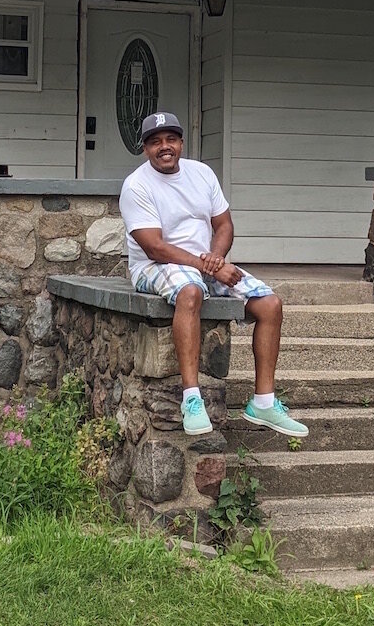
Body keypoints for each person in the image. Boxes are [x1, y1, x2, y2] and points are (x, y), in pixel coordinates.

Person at [119, 111, 309, 439]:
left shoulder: (202, 173)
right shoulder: (136, 186)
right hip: (156, 267)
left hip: (204, 262)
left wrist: (216, 259)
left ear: (180, 142)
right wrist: (209, 267)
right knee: (190, 292)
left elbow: (223, 225)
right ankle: (192, 399)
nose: (164, 147)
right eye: (154, 142)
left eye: (170, 139)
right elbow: (156, 248)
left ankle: (263, 402)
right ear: (145, 149)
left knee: (269, 304)